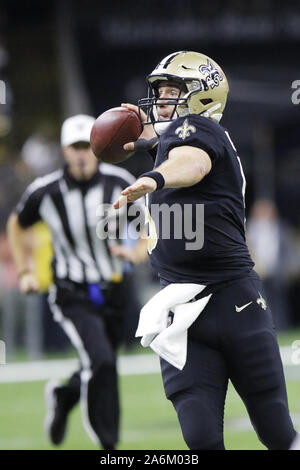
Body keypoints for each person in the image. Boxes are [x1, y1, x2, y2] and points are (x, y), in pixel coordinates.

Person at [113, 51, 300, 450]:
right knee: (200, 440)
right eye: (159, 92)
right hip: (182, 310)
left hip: (234, 301)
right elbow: (176, 154)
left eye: (171, 92)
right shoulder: (171, 140)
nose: (161, 101)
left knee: (277, 432)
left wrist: (155, 176)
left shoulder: (199, 131)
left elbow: (192, 163)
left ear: (202, 96)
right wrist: (151, 145)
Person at [7, 114, 147, 450]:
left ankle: (64, 395)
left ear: (99, 146)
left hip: (116, 288)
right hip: (73, 291)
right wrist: (25, 271)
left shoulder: (119, 181)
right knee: (102, 362)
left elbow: (147, 225)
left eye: (87, 146)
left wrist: (138, 253)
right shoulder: (46, 190)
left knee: (101, 363)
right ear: (64, 151)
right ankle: (109, 446)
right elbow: (16, 223)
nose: (82, 153)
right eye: (75, 147)